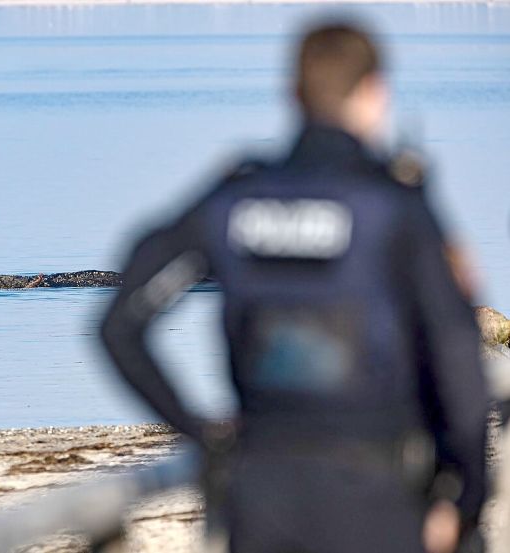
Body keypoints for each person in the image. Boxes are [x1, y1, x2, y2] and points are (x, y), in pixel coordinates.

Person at [100, 22, 492, 553]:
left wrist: (202, 435)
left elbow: (119, 325)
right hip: (376, 493)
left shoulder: (235, 199)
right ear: (376, 92)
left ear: (292, 94)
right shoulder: (391, 206)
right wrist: (467, 491)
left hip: (261, 492)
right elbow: (455, 354)